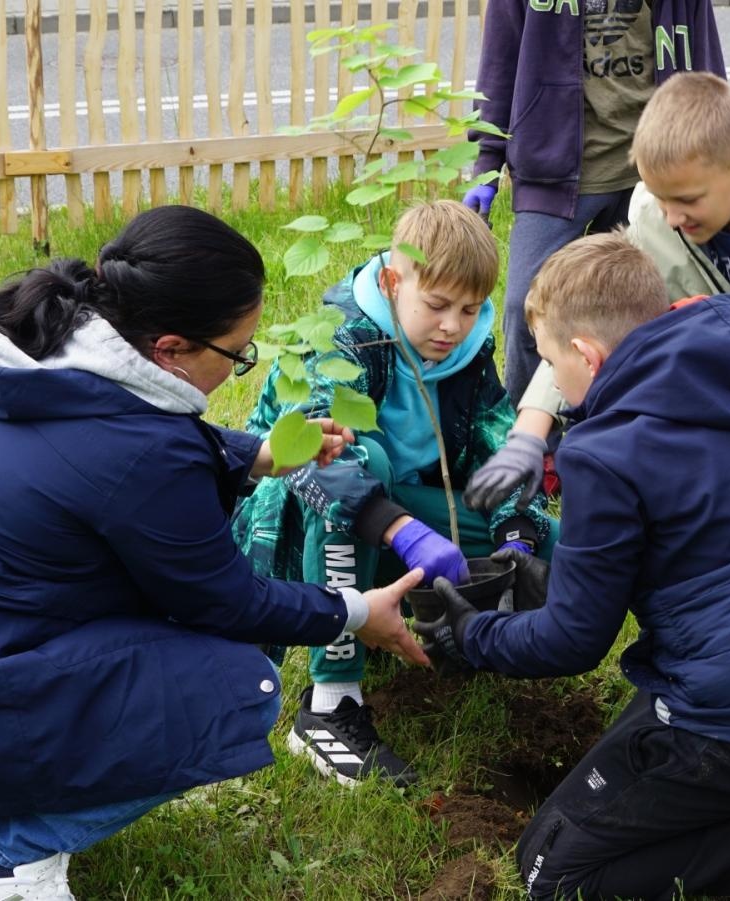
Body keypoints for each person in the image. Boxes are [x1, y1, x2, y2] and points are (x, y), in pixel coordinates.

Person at [0, 206, 430, 901]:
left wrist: (255, 455)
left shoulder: (30, 349)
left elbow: (106, 451)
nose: (238, 369)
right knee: (238, 685)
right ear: (171, 346)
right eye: (237, 355)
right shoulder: (139, 452)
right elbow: (225, 600)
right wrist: (356, 612)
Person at [414, 233, 730, 900]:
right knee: (635, 756)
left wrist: (471, 633)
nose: (556, 386)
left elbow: (573, 643)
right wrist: (558, 584)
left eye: (554, 364)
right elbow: (699, 538)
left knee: (552, 871)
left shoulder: (605, 450)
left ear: (587, 356)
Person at [469, 72, 730, 531]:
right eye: (660, 197)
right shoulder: (658, 214)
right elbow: (596, 318)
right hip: (728, 344)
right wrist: (531, 429)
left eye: (686, 200)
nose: (670, 218)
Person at [234, 200, 557, 789]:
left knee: (544, 533)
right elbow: (308, 458)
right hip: (299, 510)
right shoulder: (341, 338)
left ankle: (473, 635)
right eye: (435, 306)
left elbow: (499, 442)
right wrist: (402, 529)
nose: (453, 326)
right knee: (365, 461)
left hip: (398, 511)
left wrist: (517, 533)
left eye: (469, 308)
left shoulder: (467, 350)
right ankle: (330, 703)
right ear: (392, 281)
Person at [462, 0, 726, 404]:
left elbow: (705, 64)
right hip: (552, 164)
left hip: (651, 173)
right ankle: (532, 443)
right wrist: (488, 160)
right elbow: (501, 59)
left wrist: (710, 154)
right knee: (522, 310)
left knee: (647, 313)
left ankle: (622, 428)